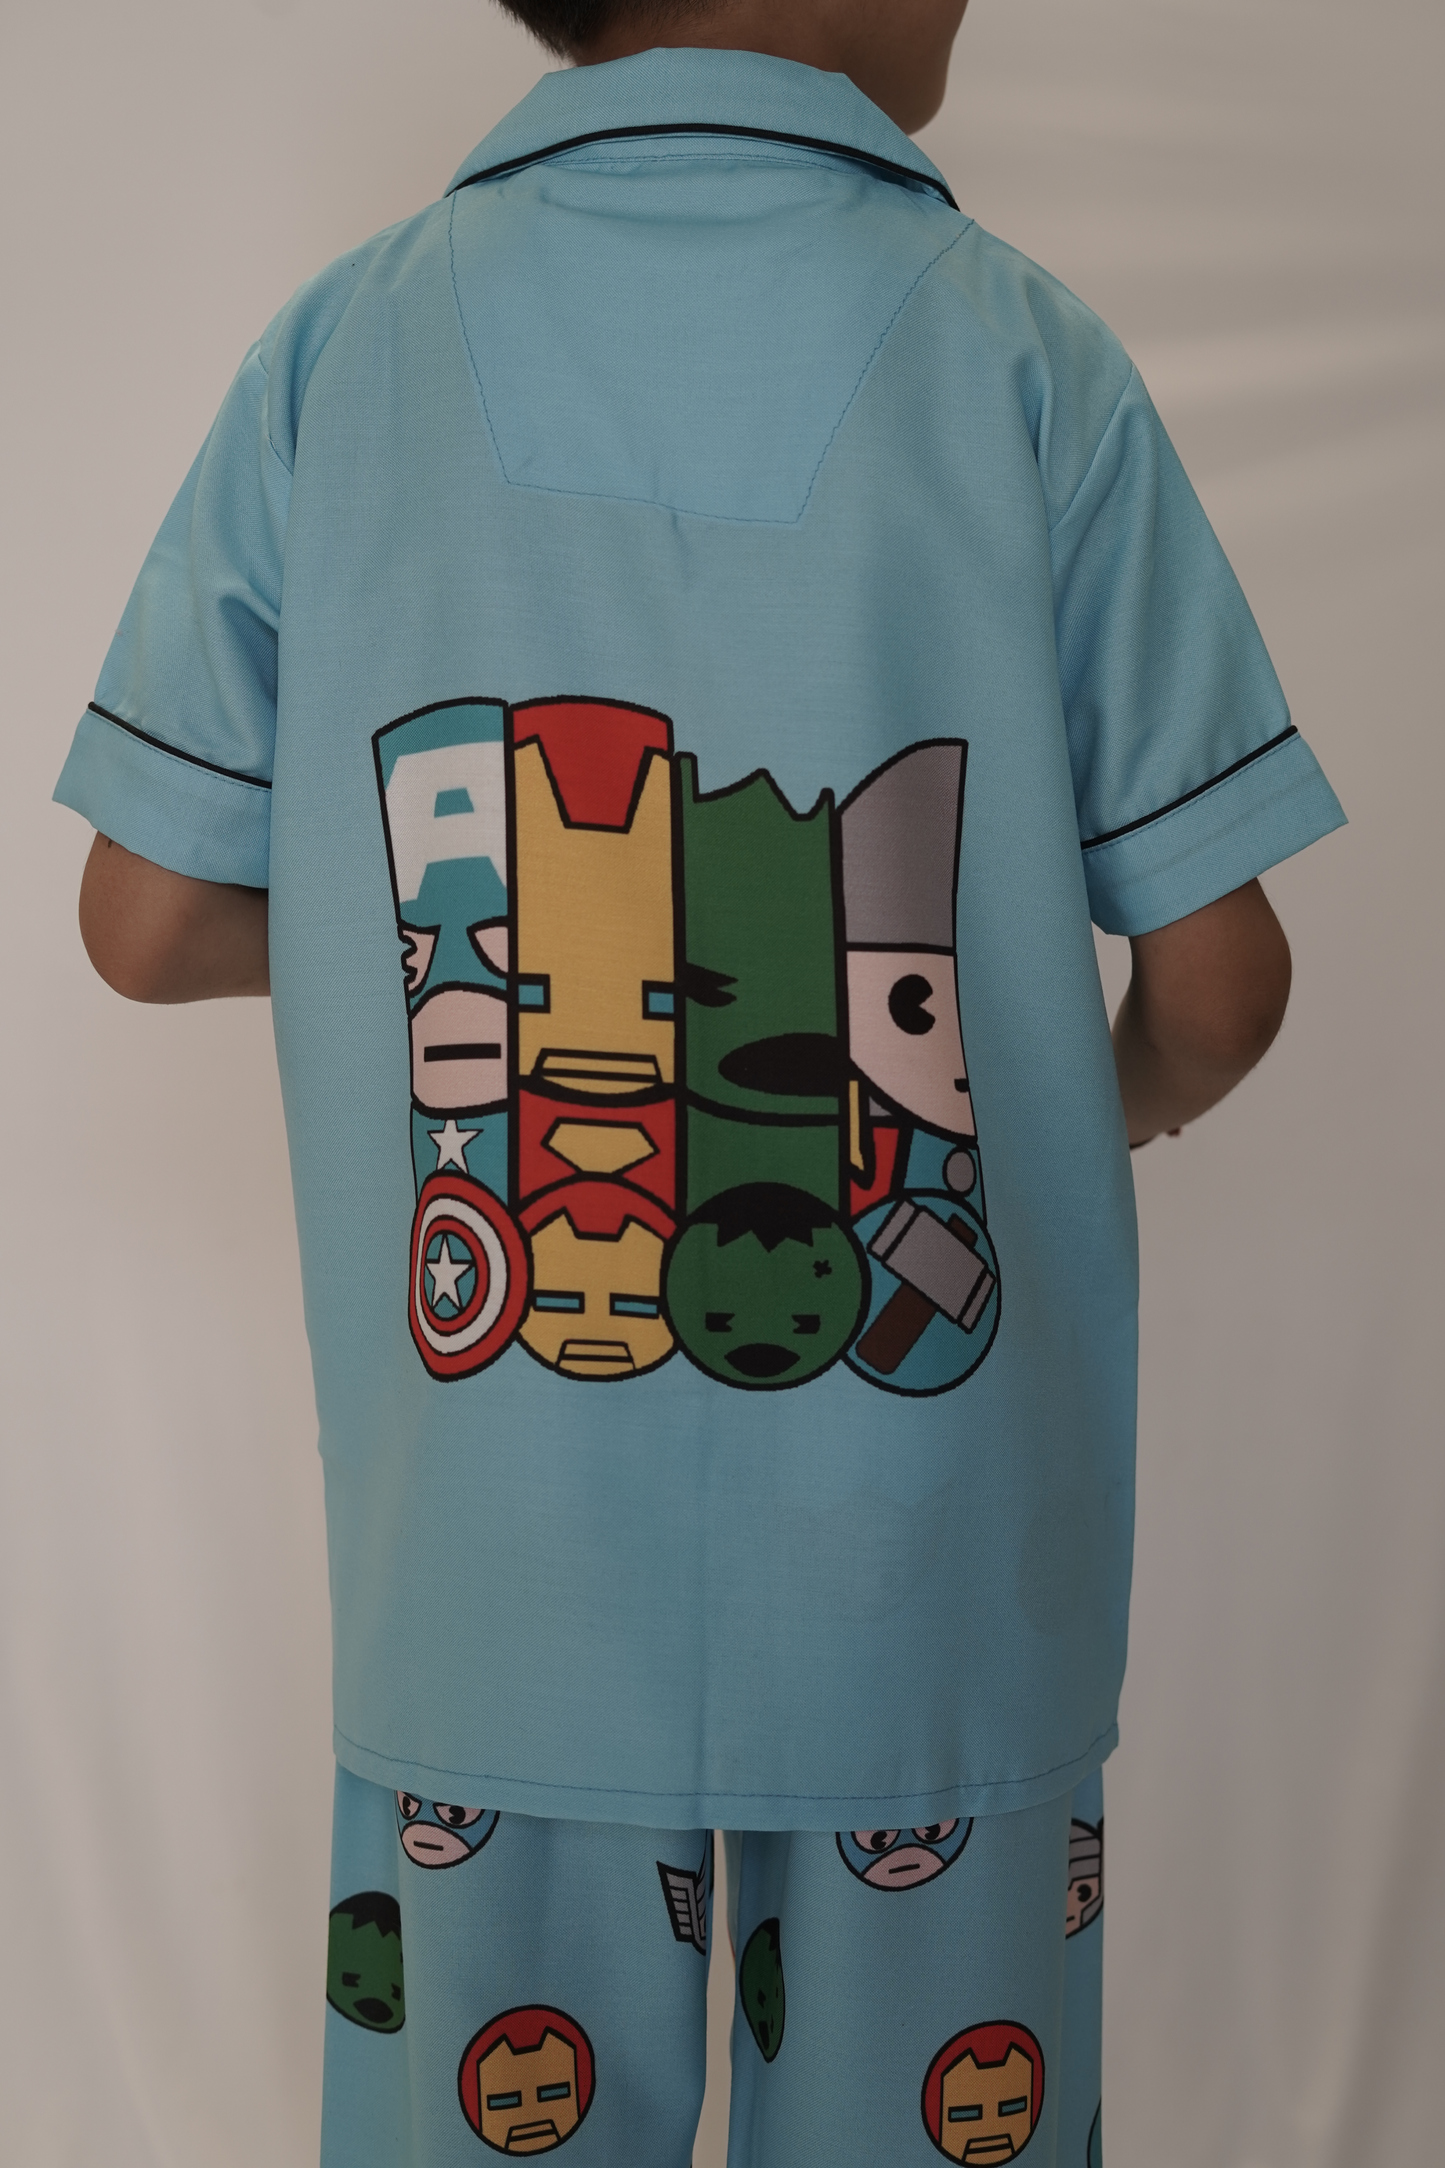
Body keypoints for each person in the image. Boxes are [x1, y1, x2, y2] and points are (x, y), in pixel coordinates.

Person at [56, 1, 1345, 2161]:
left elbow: (146, 918)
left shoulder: (342, 356)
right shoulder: (1020, 356)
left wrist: (445, 978)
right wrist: (1082, 1095)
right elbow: (1218, 979)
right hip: (932, 1593)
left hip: (488, 1583)